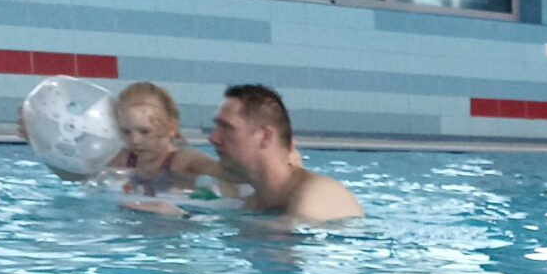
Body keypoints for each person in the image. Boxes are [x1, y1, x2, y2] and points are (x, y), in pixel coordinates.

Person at [121, 85, 361, 224]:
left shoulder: (318, 193)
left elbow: (284, 241)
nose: (213, 138)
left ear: (265, 137)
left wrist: (185, 219)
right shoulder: (253, 203)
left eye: (226, 127)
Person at [108, 82, 223, 197]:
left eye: (144, 132)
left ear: (171, 129)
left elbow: (227, 174)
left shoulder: (184, 160)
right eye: (126, 132)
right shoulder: (123, 159)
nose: (134, 140)